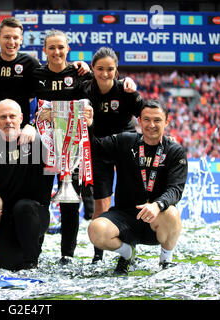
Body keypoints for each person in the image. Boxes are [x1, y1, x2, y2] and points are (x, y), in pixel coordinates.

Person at [32, 32, 136, 264]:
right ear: (44, 50)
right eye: (51, 48)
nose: (56, 52)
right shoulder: (35, 74)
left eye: (61, 47)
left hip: (73, 150)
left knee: (70, 201)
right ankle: (34, 253)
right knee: (40, 201)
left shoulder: (80, 74)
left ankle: (67, 255)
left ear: (68, 49)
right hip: (44, 148)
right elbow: (26, 104)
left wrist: (127, 81)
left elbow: (107, 76)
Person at [85, 99, 187, 275]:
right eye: (146, 119)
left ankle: (166, 261)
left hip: (156, 218)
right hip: (124, 217)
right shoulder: (126, 141)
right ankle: (128, 254)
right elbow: (95, 147)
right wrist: (89, 125)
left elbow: (176, 189)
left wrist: (158, 205)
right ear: (139, 121)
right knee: (95, 229)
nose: (151, 125)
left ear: (166, 122)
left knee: (172, 213)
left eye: (157, 120)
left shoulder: (175, 151)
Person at [78, 47, 144, 263]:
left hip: (126, 149)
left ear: (116, 70)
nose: (104, 73)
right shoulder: (85, 91)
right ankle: (98, 255)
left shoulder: (126, 90)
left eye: (110, 69)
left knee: (129, 201)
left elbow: (146, 113)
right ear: (93, 69)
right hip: (99, 150)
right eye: (100, 69)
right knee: (101, 204)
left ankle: (129, 249)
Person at [0, 99, 52, 271]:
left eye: (12, 116)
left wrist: (34, 131)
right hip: (4, 216)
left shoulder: (37, 142)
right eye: (3, 117)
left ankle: (32, 261)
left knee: (24, 208)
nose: (8, 121)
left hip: (32, 213)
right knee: (8, 265)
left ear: (21, 118)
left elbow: (57, 158)